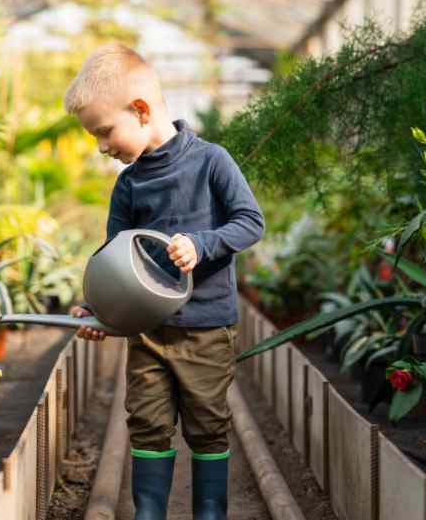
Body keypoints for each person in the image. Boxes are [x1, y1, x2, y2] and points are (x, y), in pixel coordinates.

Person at [64, 43, 264, 520]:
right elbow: (114, 257)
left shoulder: (212, 161)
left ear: (141, 110)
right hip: (149, 334)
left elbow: (250, 221)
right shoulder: (129, 184)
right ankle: (148, 513)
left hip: (207, 330)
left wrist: (202, 245)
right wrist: (97, 311)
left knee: (208, 425)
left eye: (105, 131)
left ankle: (209, 513)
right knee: (148, 423)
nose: (102, 146)